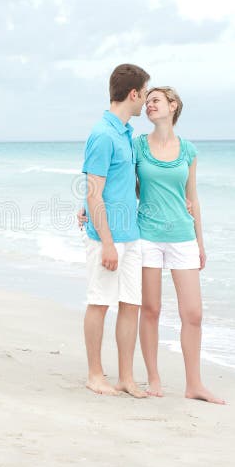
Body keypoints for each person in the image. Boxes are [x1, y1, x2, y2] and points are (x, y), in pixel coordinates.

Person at [79, 86, 224, 404]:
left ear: (173, 106)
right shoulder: (137, 146)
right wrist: (87, 206)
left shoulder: (188, 150)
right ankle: (154, 378)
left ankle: (194, 383)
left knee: (194, 313)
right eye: (147, 101)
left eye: (156, 100)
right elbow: (113, 181)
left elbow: (193, 198)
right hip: (145, 234)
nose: (149, 105)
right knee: (150, 310)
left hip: (183, 237)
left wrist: (200, 242)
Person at [82, 64, 149, 398]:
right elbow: (94, 191)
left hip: (131, 235)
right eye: (145, 93)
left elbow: (118, 186)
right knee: (99, 303)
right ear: (133, 93)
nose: (146, 102)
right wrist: (107, 242)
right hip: (106, 239)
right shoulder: (103, 134)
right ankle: (95, 375)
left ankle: (126, 377)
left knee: (130, 305)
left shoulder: (126, 134)